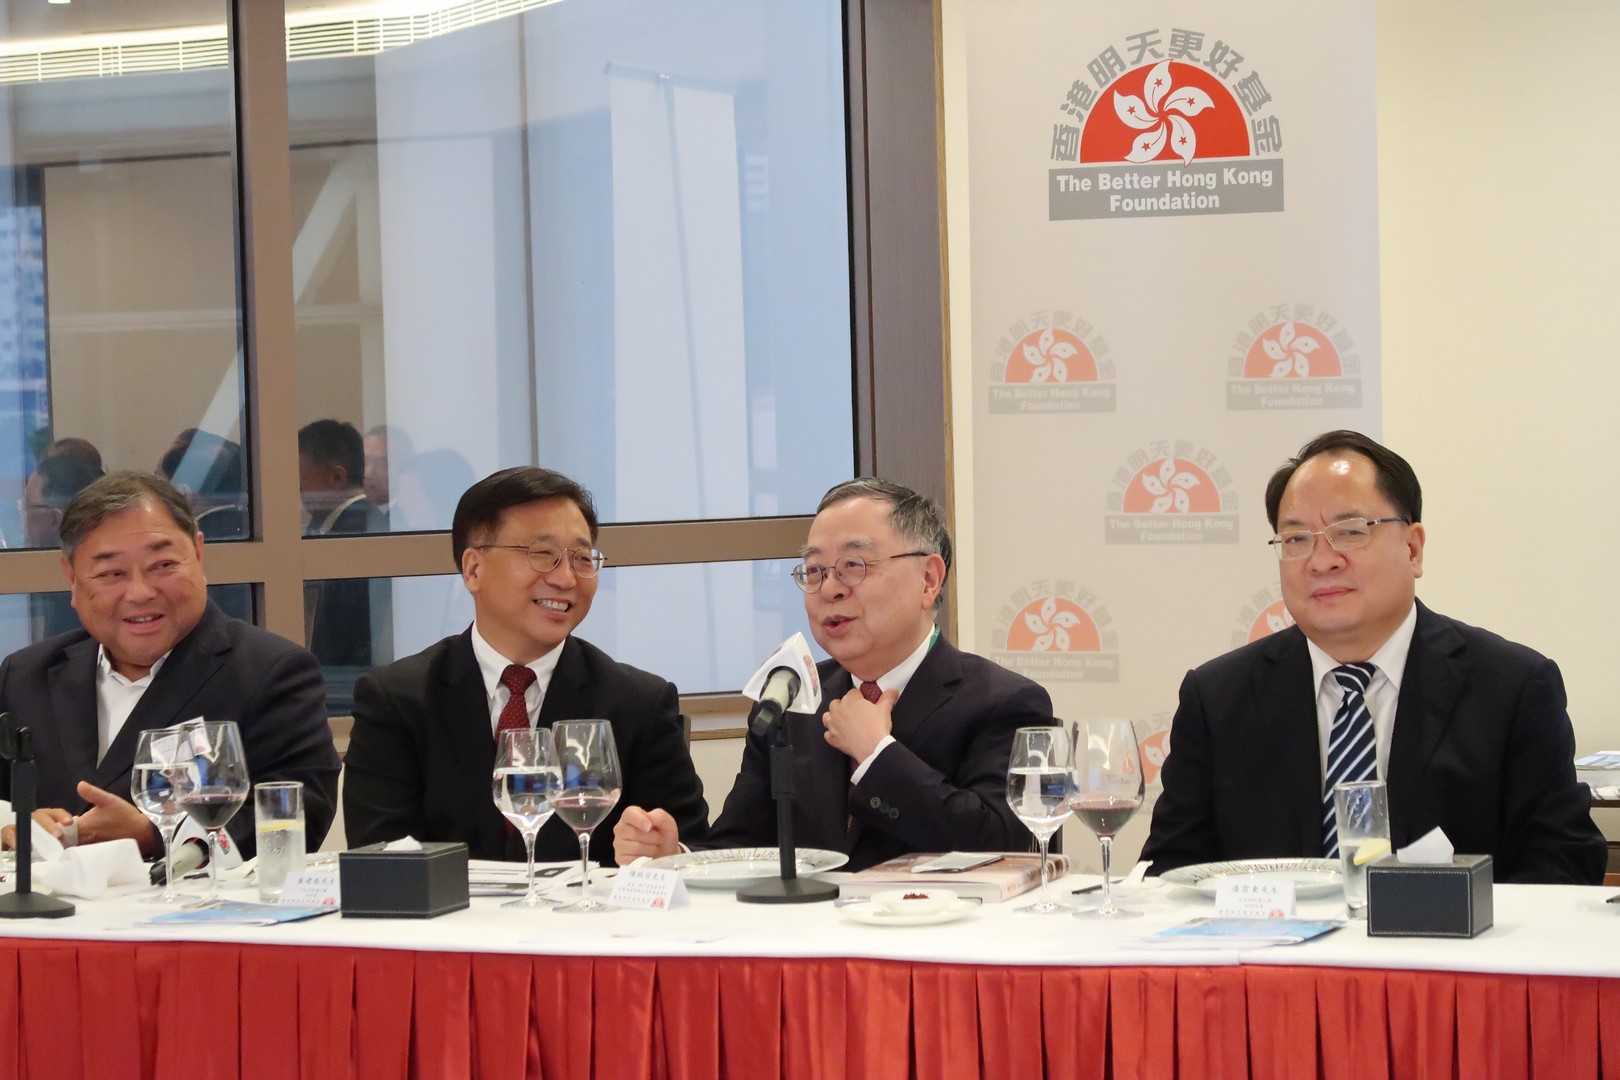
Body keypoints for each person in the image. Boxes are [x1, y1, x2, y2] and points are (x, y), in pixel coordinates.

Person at [1142, 430, 1605, 885]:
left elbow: (1562, 867)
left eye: (1350, 532)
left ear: (1413, 548)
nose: (1321, 561)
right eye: (1297, 539)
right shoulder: (1218, 700)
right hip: (1270, 938)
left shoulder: (1513, 688)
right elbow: (1168, 874)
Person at [613, 477, 1055, 872]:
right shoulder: (790, 700)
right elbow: (741, 847)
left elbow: (1009, 849)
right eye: (815, 571)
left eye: (853, 566)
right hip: (810, 938)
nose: (829, 589)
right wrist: (675, 858)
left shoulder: (1004, 703)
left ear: (928, 580)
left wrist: (876, 753)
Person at [342, 466, 708, 862]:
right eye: (543, 555)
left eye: (582, 558)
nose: (566, 578)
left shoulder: (638, 703)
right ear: (473, 569)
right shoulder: (397, 700)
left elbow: (695, 846)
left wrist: (669, 852)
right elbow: (377, 859)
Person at [0, 472, 340, 858]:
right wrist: (12, 828)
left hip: (195, 897)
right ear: (72, 577)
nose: (140, 592)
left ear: (198, 553)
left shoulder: (271, 672)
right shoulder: (26, 675)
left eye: (162, 565)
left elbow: (297, 819)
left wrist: (155, 836)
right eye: (111, 573)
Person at [297, 420, 383, 675]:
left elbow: (342, 628)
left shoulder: (356, 533)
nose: (296, 492)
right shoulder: (338, 523)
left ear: (336, 477)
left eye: (300, 483)